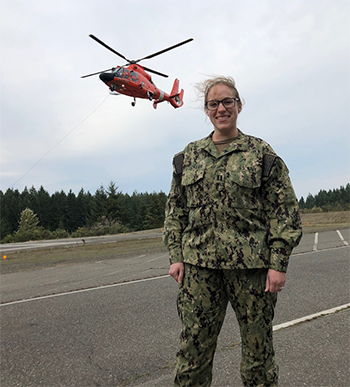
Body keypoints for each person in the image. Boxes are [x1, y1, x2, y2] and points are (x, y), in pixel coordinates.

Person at [163, 76, 302, 387]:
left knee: (257, 353)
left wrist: (278, 263)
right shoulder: (189, 157)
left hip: (251, 270)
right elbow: (176, 211)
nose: (221, 108)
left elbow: (285, 210)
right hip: (200, 270)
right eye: (214, 104)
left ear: (239, 106)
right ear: (207, 110)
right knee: (193, 352)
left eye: (227, 102)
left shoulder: (260, 153)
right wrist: (176, 256)